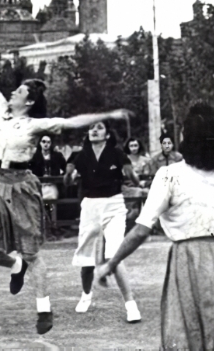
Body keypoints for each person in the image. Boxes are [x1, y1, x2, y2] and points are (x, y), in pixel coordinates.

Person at [0, 35, 132, 335]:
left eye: (18, 91)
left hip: (19, 183)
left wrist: (108, 115)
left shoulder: (35, 125)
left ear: (29, 101)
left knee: (32, 253)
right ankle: (14, 267)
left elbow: (73, 122)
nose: (12, 92)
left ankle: (44, 309)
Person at [96, 103, 214, 350]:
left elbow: (141, 230)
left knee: (189, 335)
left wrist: (111, 264)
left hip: (188, 263)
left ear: (189, 139)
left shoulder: (169, 174)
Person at [64, 121, 141, 322]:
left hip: (114, 205)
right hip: (90, 206)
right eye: (91, 128)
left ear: (107, 134)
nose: (93, 131)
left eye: (98, 127)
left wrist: (134, 178)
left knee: (114, 255)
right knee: (87, 258)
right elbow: (68, 181)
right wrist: (70, 174)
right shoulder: (81, 155)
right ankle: (86, 295)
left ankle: (131, 305)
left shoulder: (117, 153)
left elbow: (133, 177)